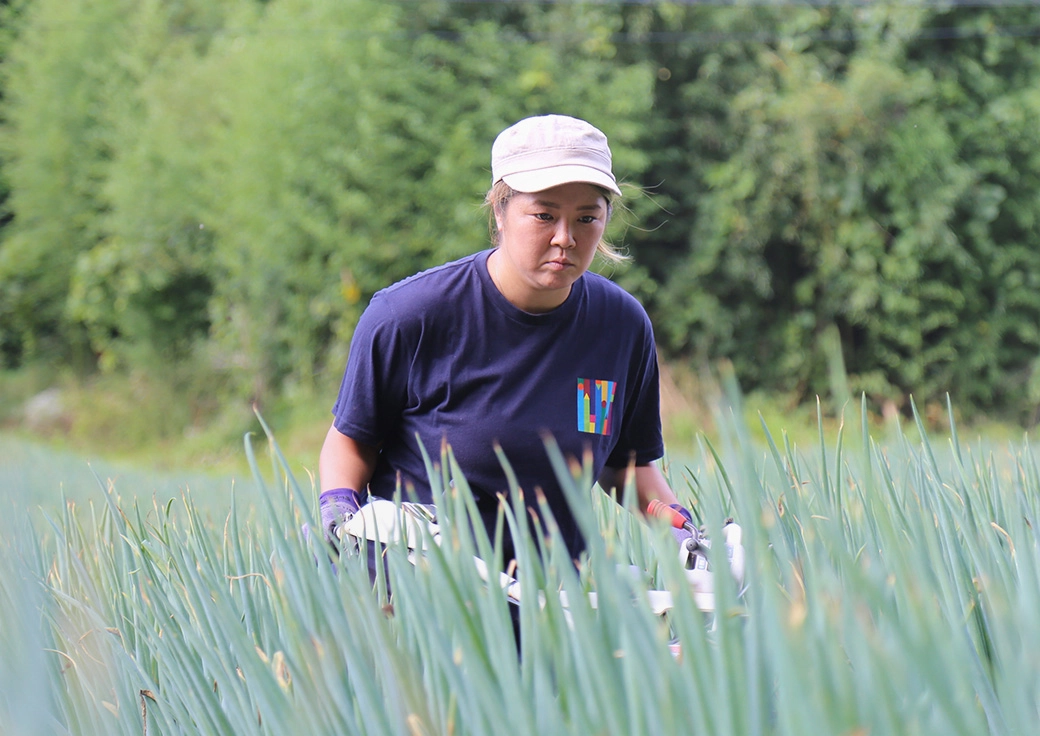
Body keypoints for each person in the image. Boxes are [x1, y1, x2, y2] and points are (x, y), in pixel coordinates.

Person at [318, 113, 693, 577]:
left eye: (587, 218)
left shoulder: (620, 325)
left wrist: (686, 535)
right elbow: (351, 442)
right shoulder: (410, 315)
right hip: (423, 592)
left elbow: (627, 467)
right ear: (500, 210)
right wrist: (339, 509)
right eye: (543, 214)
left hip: (556, 602)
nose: (565, 238)